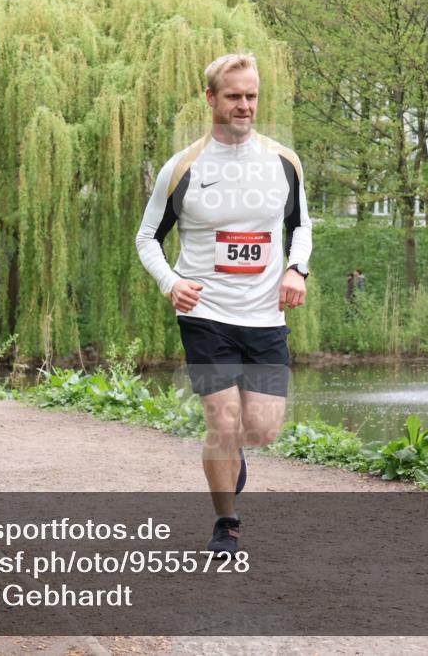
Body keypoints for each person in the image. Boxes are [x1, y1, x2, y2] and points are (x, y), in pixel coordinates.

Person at [136, 53, 312, 556]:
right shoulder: (184, 167)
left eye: (251, 96)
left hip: (265, 317)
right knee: (222, 420)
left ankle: (235, 457)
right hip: (205, 314)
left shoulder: (284, 162)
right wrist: (171, 283)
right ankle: (225, 526)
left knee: (260, 429)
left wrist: (296, 268)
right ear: (211, 98)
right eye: (233, 96)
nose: (244, 106)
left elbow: (301, 225)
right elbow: (147, 238)